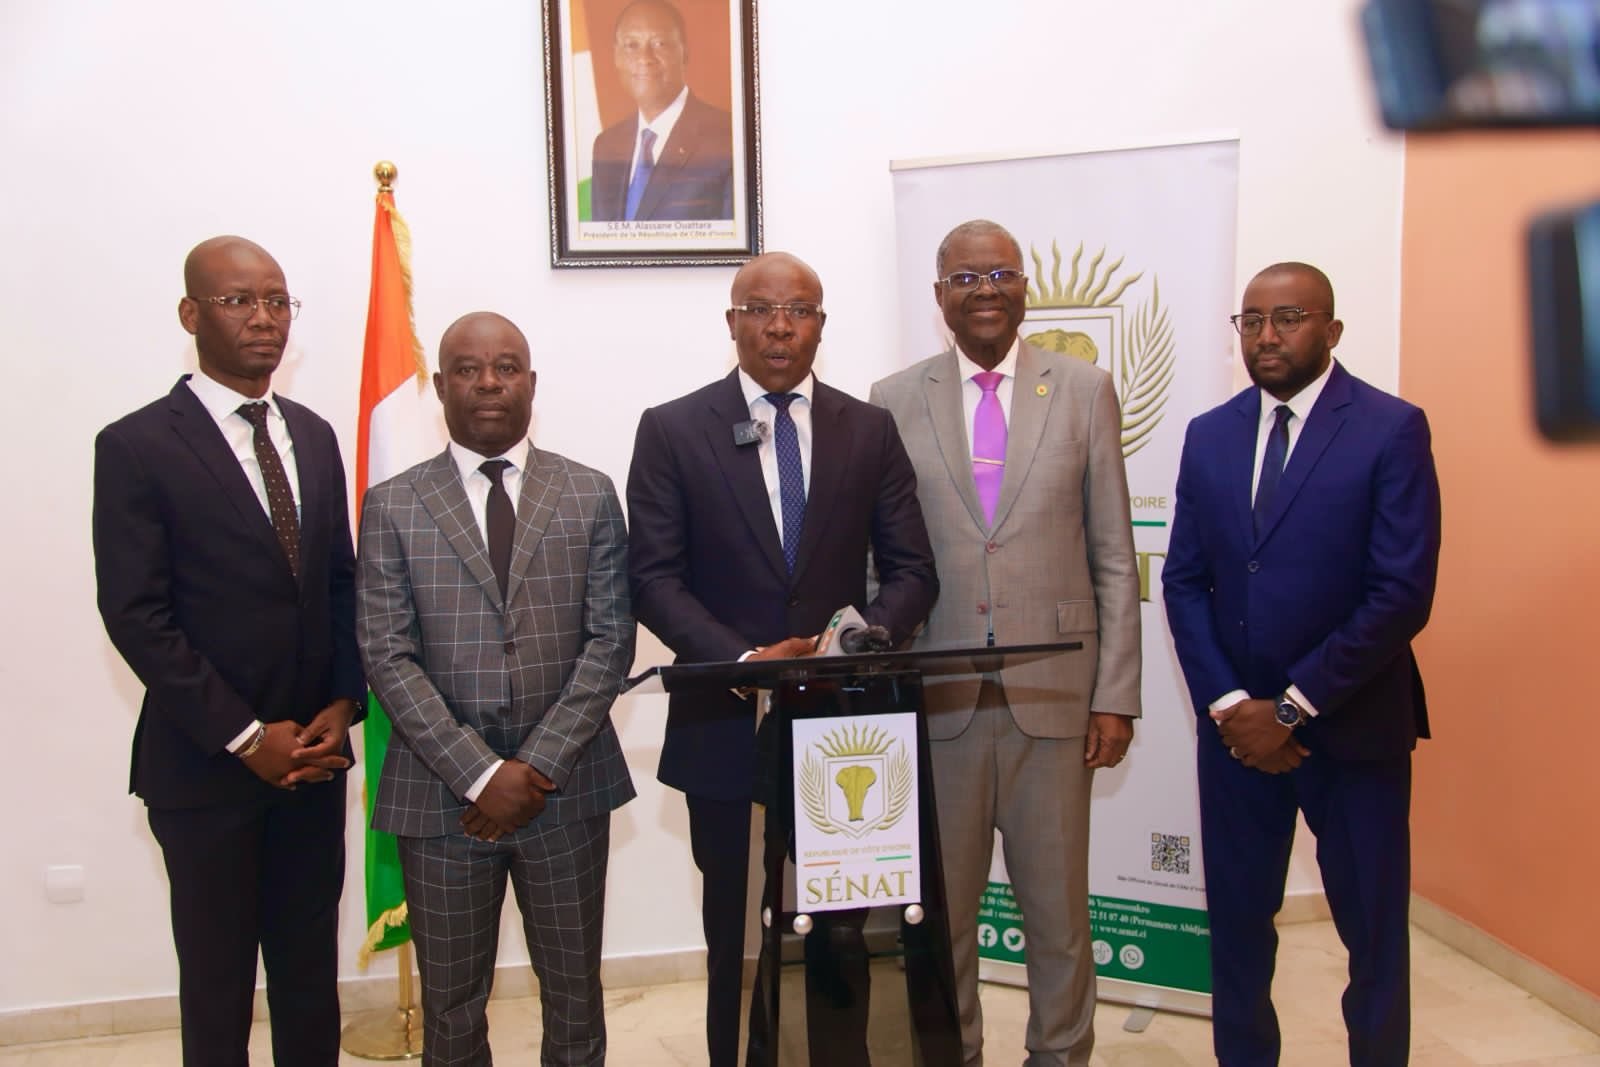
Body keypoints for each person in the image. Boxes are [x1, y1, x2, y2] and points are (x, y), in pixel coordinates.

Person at [626, 251, 938, 1066]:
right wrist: (743, 658)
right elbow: (653, 580)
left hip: (845, 727)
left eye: (798, 310)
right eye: (760, 309)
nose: (779, 326)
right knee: (735, 929)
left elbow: (913, 570)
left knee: (845, 928)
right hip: (724, 723)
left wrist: (853, 642)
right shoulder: (672, 428)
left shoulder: (867, 429)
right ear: (732, 322)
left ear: (819, 326)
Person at [870, 219, 1141, 1066]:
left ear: (1025, 286)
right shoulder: (892, 398)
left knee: (1057, 915)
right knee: (942, 915)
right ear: (939, 295)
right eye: (965, 277)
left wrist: (1115, 694)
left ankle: (1059, 1054)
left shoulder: (1085, 388)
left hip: (1056, 697)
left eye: (1001, 273)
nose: (984, 289)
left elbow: (1113, 554)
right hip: (938, 699)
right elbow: (882, 557)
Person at [92, 236, 363, 1066]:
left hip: (312, 761)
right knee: (217, 989)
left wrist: (344, 700)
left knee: (309, 979)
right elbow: (137, 615)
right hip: (205, 770)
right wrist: (247, 737)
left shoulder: (313, 435)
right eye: (239, 300)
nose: (264, 318)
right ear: (190, 314)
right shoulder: (136, 445)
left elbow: (339, 584)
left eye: (278, 301)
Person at [1163, 263, 1442, 1066]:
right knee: (1238, 932)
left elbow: (1400, 593)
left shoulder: (1390, 428)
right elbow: (1184, 580)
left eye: (1288, 317)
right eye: (1251, 320)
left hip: (1353, 729)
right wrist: (1230, 705)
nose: (1267, 335)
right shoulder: (1210, 433)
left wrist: (1289, 707)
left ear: (1332, 329)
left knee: (1373, 937)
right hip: (1236, 738)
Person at [356, 312, 636, 1066]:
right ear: (440, 385)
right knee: (451, 1008)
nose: (488, 382)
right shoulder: (392, 504)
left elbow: (611, 640)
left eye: (506, 367)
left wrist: (533, 767)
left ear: (531, 383)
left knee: (575, 997)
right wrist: (480, 774)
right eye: (468, 368)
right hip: (440, 798)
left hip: (566, 791)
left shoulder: (588, 493)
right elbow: (386, 654)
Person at [590, 0, 734, 222]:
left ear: (685, 53)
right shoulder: (606, 146)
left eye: (660, 43)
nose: (645, 58)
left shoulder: (728, 138)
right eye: (632, 45)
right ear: (616, 57)